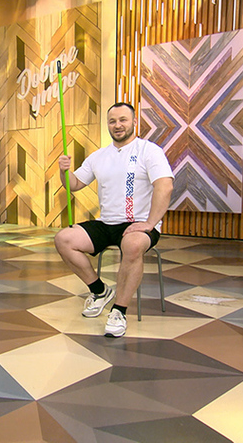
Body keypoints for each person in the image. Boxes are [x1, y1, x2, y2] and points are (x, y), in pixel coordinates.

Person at [54, 102, 173, 337]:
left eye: (123, 120)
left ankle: (119, 310)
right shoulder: (99, 156)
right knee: (64, 239)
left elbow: (165, 186)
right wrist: (64, 171)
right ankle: (99, 291)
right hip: (106, 222)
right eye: (112, 121)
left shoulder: (150, 151)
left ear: (134, 122)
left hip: (139, 223)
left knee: (133, 245)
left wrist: (150, 223)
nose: (117, 125)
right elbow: (74, 185)